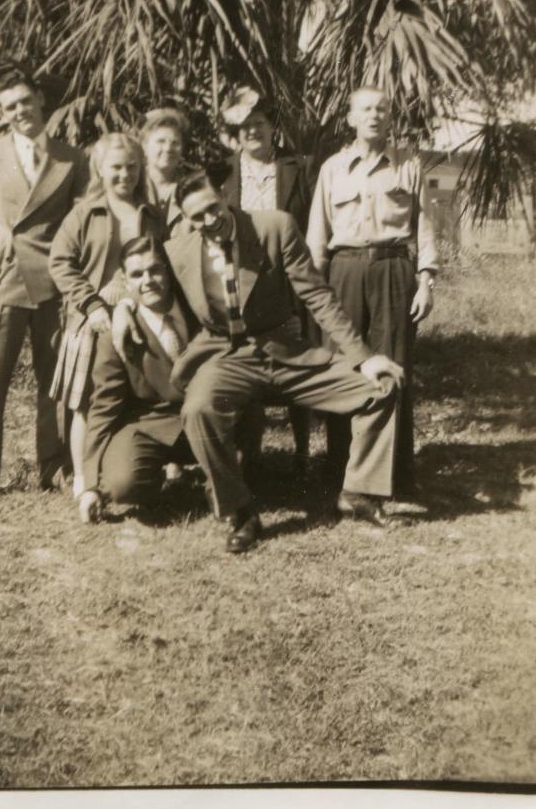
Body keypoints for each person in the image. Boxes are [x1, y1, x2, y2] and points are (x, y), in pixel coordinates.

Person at [113, 167, 405, 555]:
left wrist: (362, 357)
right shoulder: (178, 248)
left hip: (285, 352)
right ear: (186, 219)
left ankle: (359, 493)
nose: (209, 220)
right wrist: (121, 305)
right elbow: (137, 274)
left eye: (213, 208)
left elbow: (317, 296)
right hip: (224, 356)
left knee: (380, 385)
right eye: (197, 217)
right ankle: (239, 511)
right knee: (199, 409)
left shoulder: (274, 227)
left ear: (225, 196)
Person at [306, 86, 439, 500]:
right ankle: (339, 471)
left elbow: (425, 227)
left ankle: (396, 477)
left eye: (382, 108)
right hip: (343, 270)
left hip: (393, 269)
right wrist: (314, 291)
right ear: (351, 118)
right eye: (365, 109)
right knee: (345, 366)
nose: (374, 115)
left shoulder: (408, 166)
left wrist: (426, 281)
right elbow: (317, 235)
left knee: (394, 367)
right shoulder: (332, 168)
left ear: (390, 117)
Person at [0, 61, 89, 495]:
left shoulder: (72, 157)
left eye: (26, 101)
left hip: (52, 281)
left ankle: (54, 469)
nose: (20, 111)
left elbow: (81, 220)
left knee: (54, 383)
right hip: (1, 279)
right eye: (10, 106)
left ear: (41, 99)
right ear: (1, 111)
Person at [49, 133, 164, 499]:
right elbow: (60, 262)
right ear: (99, 168)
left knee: (130, 396)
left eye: (132, 167)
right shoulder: (85, 212)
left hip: (139, 318)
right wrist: (91, 304)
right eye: (116, 167)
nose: (124, 175)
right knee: (86, 401)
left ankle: (131, 467)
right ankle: (84, 478)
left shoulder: (152, 214)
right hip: (92, 318)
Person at [217, 86, 317, 473]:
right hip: (240, 279)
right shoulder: (222, 171)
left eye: (259, 122)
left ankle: (303, 451)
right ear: (235, 132)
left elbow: (310, 225)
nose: (252, 131)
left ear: (272, 126)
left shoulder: (297, 167)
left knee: (296, 357)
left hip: (288, 278)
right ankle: (248, 450)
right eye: (244, 125)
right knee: (245, 357)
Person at [79, 236, 196, 524]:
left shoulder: (197, 309)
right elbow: (103, 407)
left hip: (203, 417)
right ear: (125, 281)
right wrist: (90, 485)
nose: (148, 281)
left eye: (155, 270)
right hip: (149, 424)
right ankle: (154, 475)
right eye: (137, 274)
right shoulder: (115, 335)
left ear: (168, 270)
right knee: (122, 486)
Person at [138, 107, 192, 238]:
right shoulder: (133, 188)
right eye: (160, 141)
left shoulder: (191, 190)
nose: (168, 148)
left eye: (175, 143)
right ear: (144, 146)